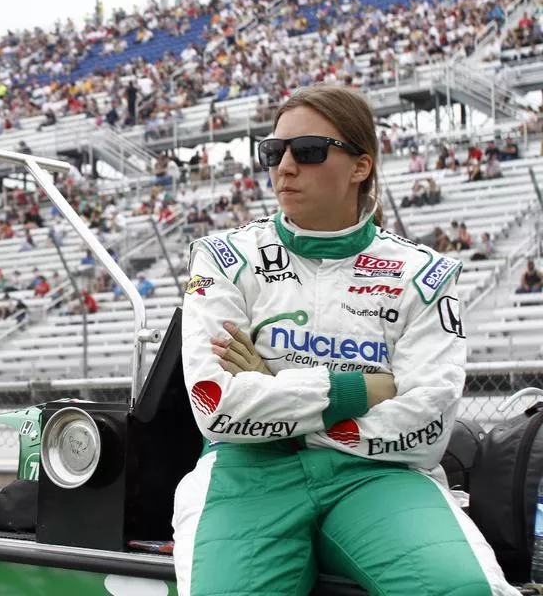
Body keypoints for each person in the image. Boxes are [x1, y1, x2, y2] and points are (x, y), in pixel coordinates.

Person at [174, 84, 518, 596]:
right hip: (245, 475)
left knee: (463, 590)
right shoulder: (222, 259)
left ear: (361, 166)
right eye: (273, 152)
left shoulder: (423, 274)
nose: (284, 167)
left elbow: (428, 422)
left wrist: (278, 395)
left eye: (308, 151)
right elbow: (216, 404)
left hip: (376, 476)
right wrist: (361, 388)